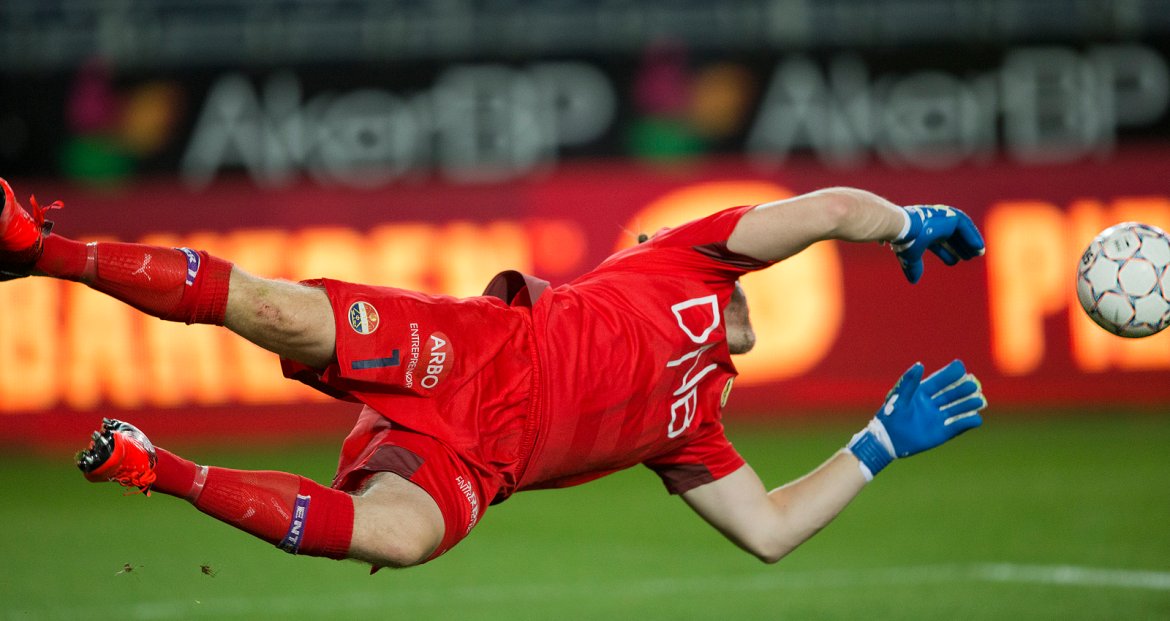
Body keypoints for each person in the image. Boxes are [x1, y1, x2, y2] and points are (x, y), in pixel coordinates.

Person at [0, 177, 987, 569]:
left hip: (483, 466)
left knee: (397, 540)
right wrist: (907, 220)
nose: (759, 288)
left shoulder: (699, 430)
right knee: (277, 312)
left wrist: (879, 444)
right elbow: (819, 212)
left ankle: (152, 467)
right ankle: (36, 249)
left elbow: (767, 531)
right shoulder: (681, 260)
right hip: (474, 354)